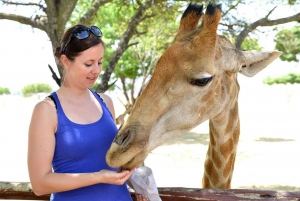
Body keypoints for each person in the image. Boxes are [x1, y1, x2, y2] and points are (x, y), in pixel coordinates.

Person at [27, 24, 147, 201]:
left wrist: (137, 186)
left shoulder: (105, 102)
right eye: (88, 64)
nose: (97, 70)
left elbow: (111, 162)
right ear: (66, 61)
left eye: (100, 62)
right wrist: (98, 177)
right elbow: (39, 184)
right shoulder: (46, 110)